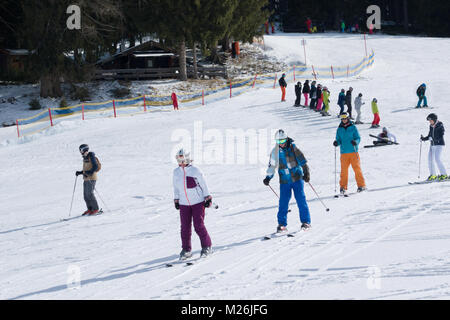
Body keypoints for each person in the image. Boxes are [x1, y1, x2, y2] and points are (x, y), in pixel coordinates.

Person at [263, 130, 311, 232]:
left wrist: (306, 173)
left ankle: (306, 222)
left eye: (283, 141)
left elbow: (303, 161)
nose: (282, 144)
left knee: (301, 200)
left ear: (287, 138)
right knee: (283, 202)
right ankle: (282, 224)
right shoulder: (275, 152)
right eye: (279, 142)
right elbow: (272, 166)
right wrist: (268, 177)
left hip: (297, 178)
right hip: (284, 181)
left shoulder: (293, 148)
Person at [173, 148, 213, 260]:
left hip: (198, 202)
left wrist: (208, 197)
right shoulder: (176, 172)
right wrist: (176, 199)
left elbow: (204, 185)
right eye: (179, 160)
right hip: (183, 204)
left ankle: (207, 246)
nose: (180, 163)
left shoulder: (195, 170)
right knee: (184, 228)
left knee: (198, 225)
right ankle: (186, 250)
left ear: (187, 159)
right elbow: (176, 187)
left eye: (182, 160)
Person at [333, 113, 367, 195]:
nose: (344, 119)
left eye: (345, 118)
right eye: (342, 118)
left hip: (353, 152)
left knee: (357, 169)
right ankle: (343, 187)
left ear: (348, 118)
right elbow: (338, 139)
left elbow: (358, 138)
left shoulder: (353, 127)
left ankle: (361, 185)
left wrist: (356, 142)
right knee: (344, 171)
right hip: (344, 153)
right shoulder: (339, 129)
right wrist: (336, 142)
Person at [421, 114, 448, 181]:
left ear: (435, 120)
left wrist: (433, 139)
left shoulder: (440, 125)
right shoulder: (431, 126)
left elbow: (441, 136)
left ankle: (444, 175)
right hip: (432, 145)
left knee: (437, 159)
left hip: (439, 144)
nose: (430, 122)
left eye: (431, 120)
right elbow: (429, 135)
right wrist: (423, 138)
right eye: (429, 121)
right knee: (430, 159)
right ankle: (433, 175)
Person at [75, 144, 101, 216]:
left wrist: (89, 173)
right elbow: (86, 168)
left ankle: (95, 209)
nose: (80, 152)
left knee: (90, 194)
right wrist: (80, 172)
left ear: (84, 150)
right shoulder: (85, 158)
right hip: (86, 178)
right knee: (85, 195)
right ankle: (90, 209)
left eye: (81, 150)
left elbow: (95, 166)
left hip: (92, 178)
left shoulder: (91, 156)